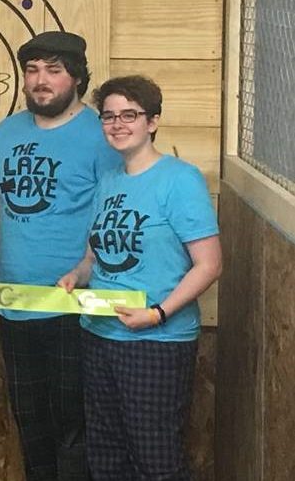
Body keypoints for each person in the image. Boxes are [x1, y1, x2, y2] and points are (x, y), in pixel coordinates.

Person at [0, 30, 120, 481]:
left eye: (54, 71)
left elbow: (113, 209)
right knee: (30, 421)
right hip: (16, 305)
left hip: (76, 306)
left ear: (76, 78)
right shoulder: (6, 132)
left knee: (74, 427)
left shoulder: (101, 135)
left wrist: (86, 268)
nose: (41, 80)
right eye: (33, 70)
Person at [59, 75, 221, 481]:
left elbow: (209, 264)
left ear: (152, 121)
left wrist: (158, 313)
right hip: (99, 335)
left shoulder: (180, 179)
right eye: (109, 116)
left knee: (156, 460)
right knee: (106, 456)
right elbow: (94, 256)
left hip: (156, 343)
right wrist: (75, 276)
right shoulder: (109, 180)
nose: (117, 124)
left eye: (129, 115)